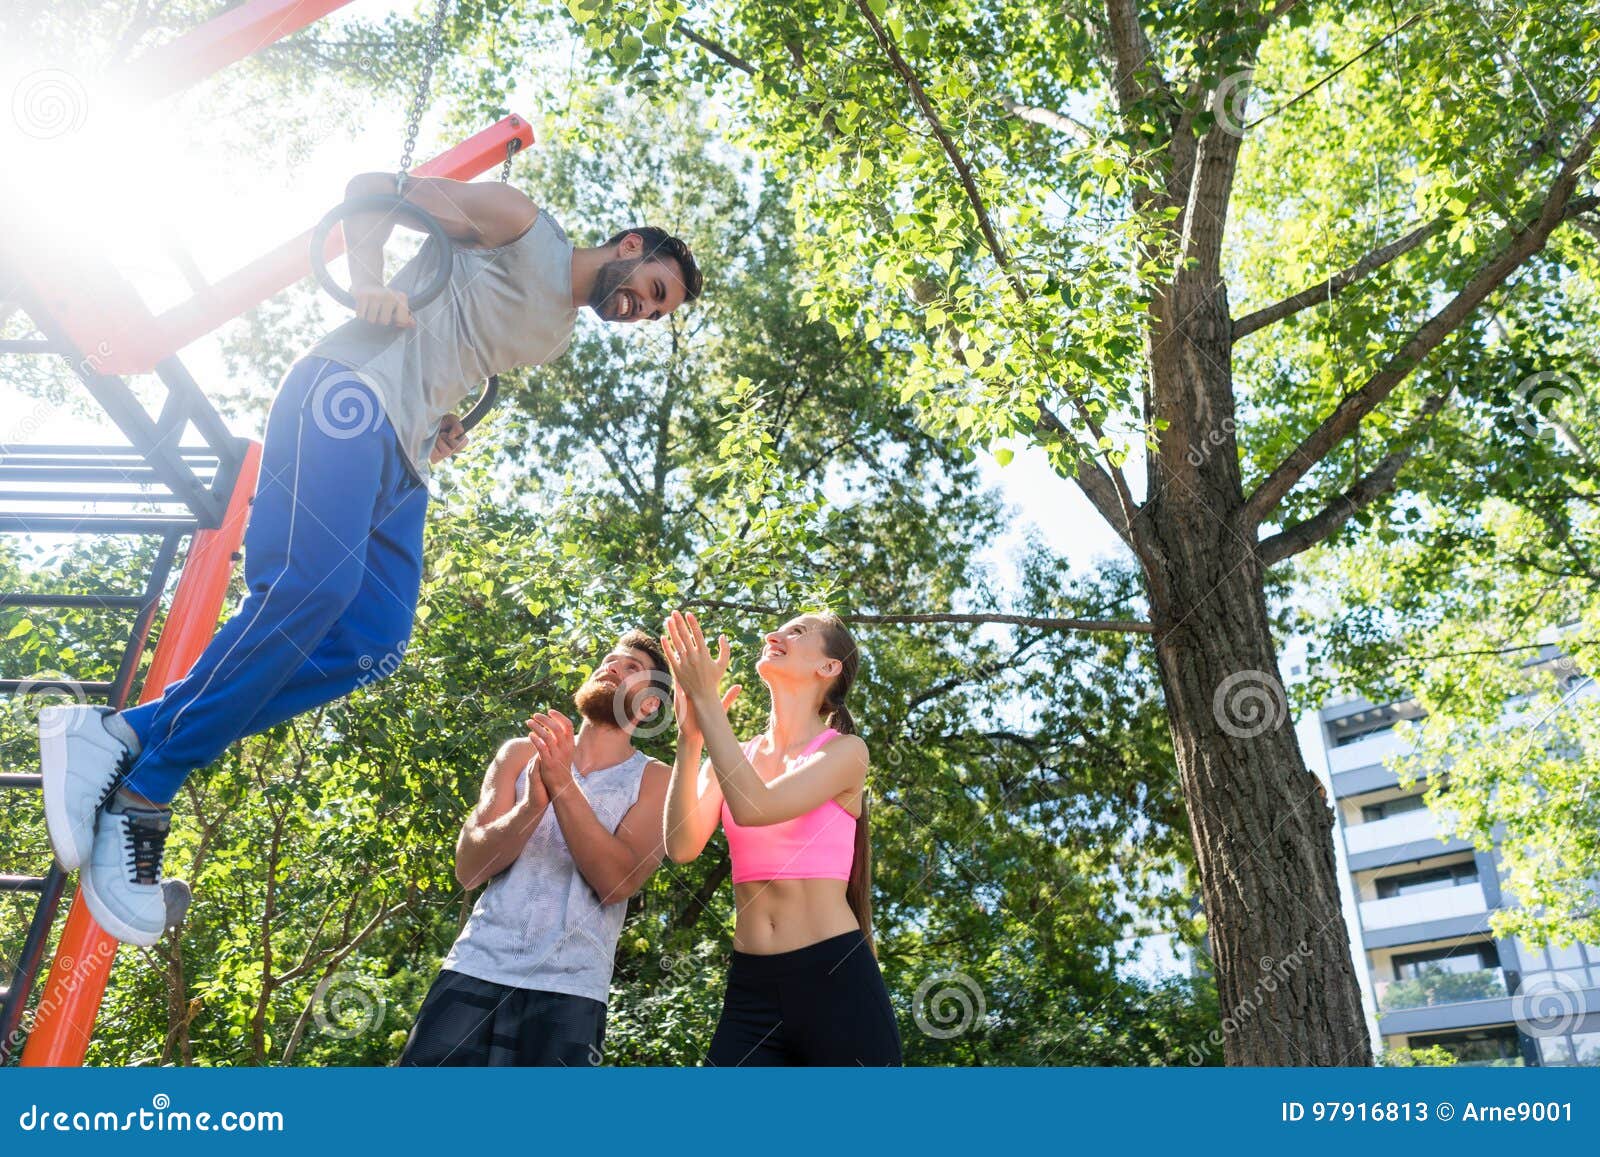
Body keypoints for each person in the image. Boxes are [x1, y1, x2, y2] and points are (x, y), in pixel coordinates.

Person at [38, 171, 703, 946]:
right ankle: (146, 789)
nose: (643, 309)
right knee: (313, 588)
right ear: (631, 246)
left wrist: (442, 419)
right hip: (349, 393)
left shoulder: (556, 330)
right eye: (652, 287)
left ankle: (126, 735)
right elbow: (375, 190)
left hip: (406, 446)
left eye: (656, 311)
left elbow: (450, 334)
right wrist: (366, 280)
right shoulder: (525, 225)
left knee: (374, 640)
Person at [400, 631, 673, 1067]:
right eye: (609, 659)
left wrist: (561, 784)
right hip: (474, 969)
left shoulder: (658, 780)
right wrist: (532, 804)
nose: (614, 667)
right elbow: (469, 869)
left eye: (632, 667)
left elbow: (615, 883)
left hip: (570, 993)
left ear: (649, 705)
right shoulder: (519, 753)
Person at [659, 609, 901, 1066]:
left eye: (798, 631)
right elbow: (680, 845)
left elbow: (757, 808)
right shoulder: (736, 760)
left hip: (835, 979)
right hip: (751, 986)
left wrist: (706, 701)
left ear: (828, 668)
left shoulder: (846, 752)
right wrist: (690, 738)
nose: (774, 633)